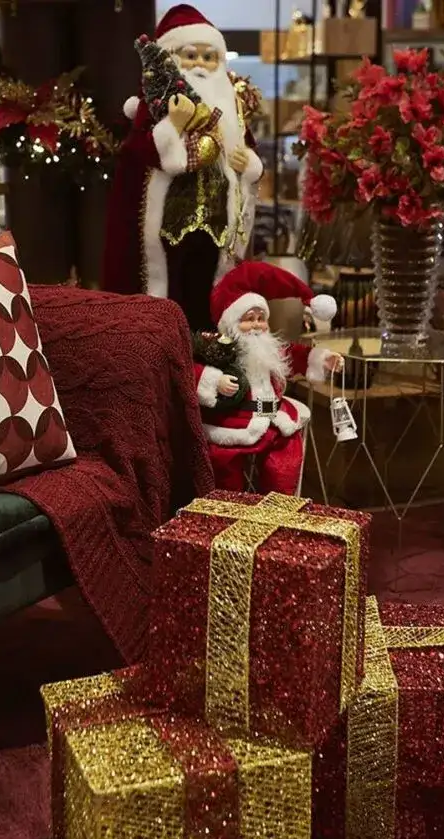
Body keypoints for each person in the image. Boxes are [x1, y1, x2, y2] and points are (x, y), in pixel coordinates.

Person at [102, 4, 264, 331]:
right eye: (191, 55)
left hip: (217, 224)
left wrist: (249, 164)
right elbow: (140, 149)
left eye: (209, 57)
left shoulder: (230, 104)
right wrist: (173, 126)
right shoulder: (156, 101)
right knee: (169, 293)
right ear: (171, 56)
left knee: (207, 290)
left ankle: (208, 353)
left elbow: (245, 147)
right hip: (167, 224)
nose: (201, 65)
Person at [195, 261, 344, 495]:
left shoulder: (271, 346)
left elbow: (296, 355)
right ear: (232, 322)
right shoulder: (217, 348)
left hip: (272, 415)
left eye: (260, 318)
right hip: (234, 420)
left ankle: (279, 504)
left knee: (286, 453)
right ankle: (228, 509)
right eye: (249, 318)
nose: (256, 325)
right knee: (224, 465)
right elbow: (193, 370)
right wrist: (215, 380)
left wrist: (323, 359)